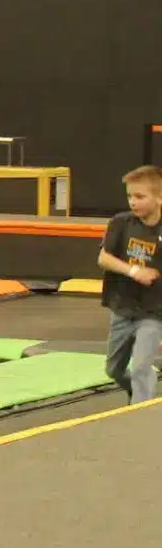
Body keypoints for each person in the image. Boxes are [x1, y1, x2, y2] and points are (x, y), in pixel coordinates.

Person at [100, 165, 162, 404]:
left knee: (140, 369)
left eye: (140, 196)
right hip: (123, 308)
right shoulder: (121, 223)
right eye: (129, 196)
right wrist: (134, 271)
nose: (133, 202)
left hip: (154, 312)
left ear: (158, 198)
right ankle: (136, 391)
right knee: (113, 370)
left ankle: (140, 412)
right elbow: (103, 258)